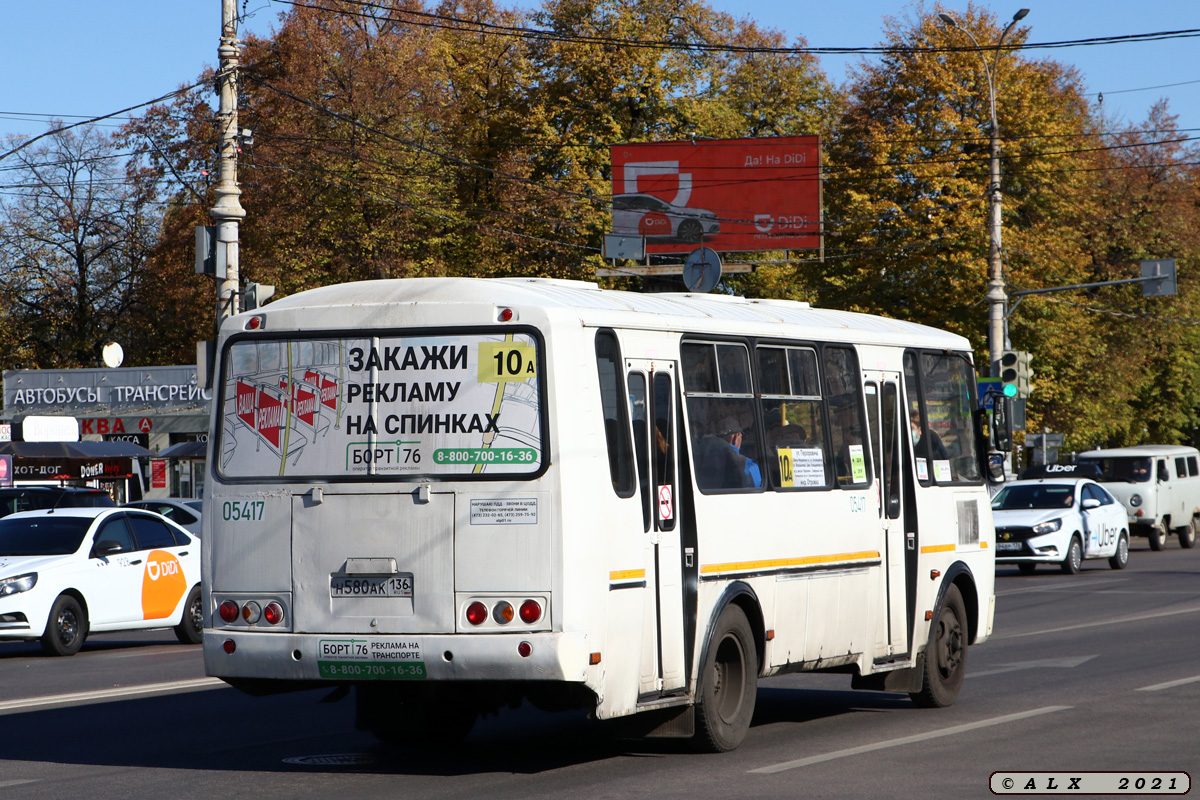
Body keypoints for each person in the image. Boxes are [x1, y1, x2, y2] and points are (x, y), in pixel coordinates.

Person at [695, 416, 762, 489]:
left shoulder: (700, 458)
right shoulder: (747, 464)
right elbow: (757, 484)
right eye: (741, 436)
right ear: (735, 438)